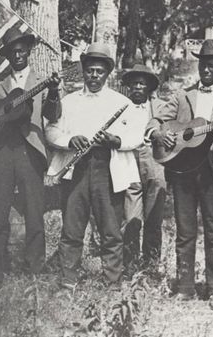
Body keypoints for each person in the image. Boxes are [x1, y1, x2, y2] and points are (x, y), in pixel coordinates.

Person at [146, 39, 213, 311]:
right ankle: (185, 288)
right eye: (203, 64)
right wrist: (159, 134)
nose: (207, 70)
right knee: (184, 231)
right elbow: (157, 119)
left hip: (212, 171)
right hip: (182, 171)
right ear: (198, 65)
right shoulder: (182, 95)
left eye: (212, 65)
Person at [0, 27, 60, 281]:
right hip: (2, 151)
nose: (17, 55)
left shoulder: (40, 81)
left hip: (30, 152)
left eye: (21, 50)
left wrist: (54, 92)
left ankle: (34, 272)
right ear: (7, 55)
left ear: (28, 51)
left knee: (34, 213)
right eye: (12, 52)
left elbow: (53, 115)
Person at [45, 43, 142, 290]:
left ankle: (112, 282)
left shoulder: (122, 103)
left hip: (107, 168)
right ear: (84, 71)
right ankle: (68, 281)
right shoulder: (69, 101)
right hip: (76, 168)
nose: (94, 76)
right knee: (72, 227)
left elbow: (136, 135)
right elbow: (51, 130)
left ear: (107, 73)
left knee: (110, 228)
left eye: (99, 71)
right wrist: (70, 140)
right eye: (90, 70)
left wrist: (116, 140)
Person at [121, 64, 167, 275]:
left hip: (155, 161)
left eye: (142, 84)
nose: (138, 88)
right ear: (129, 87)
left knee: (154, 217)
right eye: (134, 84)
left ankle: (151, 267)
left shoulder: (161, 107)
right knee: (132, 218)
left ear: (149, 88)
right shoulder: (122, 107)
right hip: (129, 161)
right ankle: (130, 266)